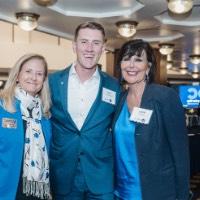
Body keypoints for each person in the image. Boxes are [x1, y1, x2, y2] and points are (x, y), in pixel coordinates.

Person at [49, 21, 120, 200]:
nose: (89, 48)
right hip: (63, 172)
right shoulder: (52, 82)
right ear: (74, 46)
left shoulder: (114, 85)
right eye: (84, 42)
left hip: (101, 173)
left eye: (96, 43)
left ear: (103, 48)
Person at [112, 39, 190, 200]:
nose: (131, 65)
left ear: (148, 67)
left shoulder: (165, 97)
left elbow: (180, 154)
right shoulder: (119, 99)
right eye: (126, 59)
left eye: (138, 59)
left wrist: (182, 196)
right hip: (121, 192)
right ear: (120, 65)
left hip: (157, 192)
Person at [0, 54, 52, 200]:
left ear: (44, 80)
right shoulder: (2, 107)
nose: (33, 77)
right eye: (28, 71)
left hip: (35, 192)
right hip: (5, 190)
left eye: (39, 73)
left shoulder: (46, 115)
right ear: (17, 75)